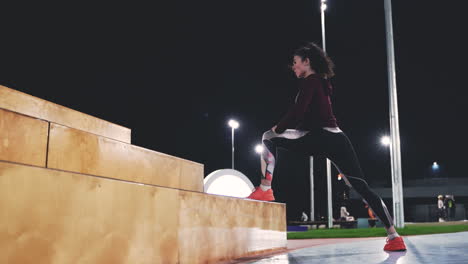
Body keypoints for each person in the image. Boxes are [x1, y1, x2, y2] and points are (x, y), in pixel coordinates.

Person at [246, 42, 406, 251]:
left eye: (296, 63)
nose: (293, 67)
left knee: (268, 136)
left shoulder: (311, 81)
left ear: (307, 62)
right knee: (360, 186)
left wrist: (280, 127)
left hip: (320, 138)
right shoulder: (321, 81)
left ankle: (265, 189)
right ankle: (394, 236)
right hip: (339, 139)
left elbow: (298, 111)